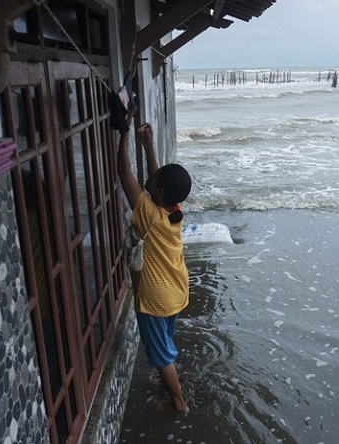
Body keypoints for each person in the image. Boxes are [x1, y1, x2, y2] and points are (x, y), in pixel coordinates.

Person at [116, 114, 192, 413]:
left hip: (155, 298)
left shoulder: (149, 213)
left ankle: (178, 403)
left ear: (158, 192)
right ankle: (171, 383)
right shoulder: (172, 210)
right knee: (164, 344)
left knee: (162, 356)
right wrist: (147, 147)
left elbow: (123, 171)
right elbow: (158, 180)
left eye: (156, 181)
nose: (152, 178)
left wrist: (123, 133)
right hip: (175, 289)